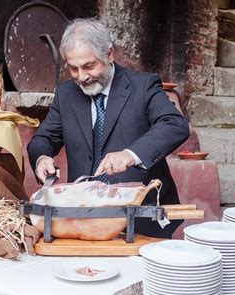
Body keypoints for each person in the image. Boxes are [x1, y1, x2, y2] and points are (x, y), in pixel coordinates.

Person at [27, 18, 189, 238]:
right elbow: (44, 138)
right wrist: (41, 158)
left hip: (142, 216)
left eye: (89, 66)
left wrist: (130, 155)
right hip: (83, 218)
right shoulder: (66, 94)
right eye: (73, 68)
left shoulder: (143, 86)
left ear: (109, 54)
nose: (82, 76)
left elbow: (175, 125)